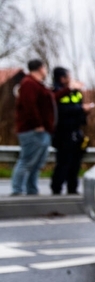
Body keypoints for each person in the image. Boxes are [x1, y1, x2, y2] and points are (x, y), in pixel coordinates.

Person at [11, 59, 55, 196]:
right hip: (33, 130)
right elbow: (29, 105)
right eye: (44, 68)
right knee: (27, 161)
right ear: (40, 68)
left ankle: (32, 190)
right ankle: (17, 190)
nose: (45, 71)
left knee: (36, 164)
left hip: (41, 130)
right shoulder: (29, 84)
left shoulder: (37, 85)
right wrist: (38, 125)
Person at [50, 67, 95, 195]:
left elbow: (78, 107)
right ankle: (56, 188)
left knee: (75, 162)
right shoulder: (56, 92)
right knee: (63, 162)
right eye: (68, 77)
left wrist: (85, 112)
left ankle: (72, 188)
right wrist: (81, 109)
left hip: (76, 131)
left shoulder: (76, 92)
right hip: (63, 132)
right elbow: (61, 110)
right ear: (62, 78)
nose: (71, 79)